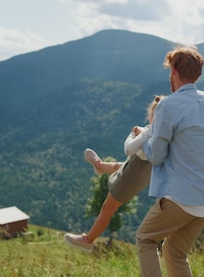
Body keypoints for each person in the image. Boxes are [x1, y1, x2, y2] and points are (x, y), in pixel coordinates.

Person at [131, 46, 204, 277]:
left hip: (184, 196)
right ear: (197, 73)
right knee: (175, 251)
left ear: (173, 71)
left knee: (145, 239)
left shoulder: (168, 105)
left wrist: (142, 142)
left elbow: (157, 154)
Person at [64, 96, 162, 252]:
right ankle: (100, 165)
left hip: (129, 180)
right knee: (119, 166)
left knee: (107, 209)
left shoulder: (148, 134)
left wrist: (132, 133)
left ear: (151, 116)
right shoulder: (164, 134)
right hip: (140, 176)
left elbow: (128, 149)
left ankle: (87, 240)